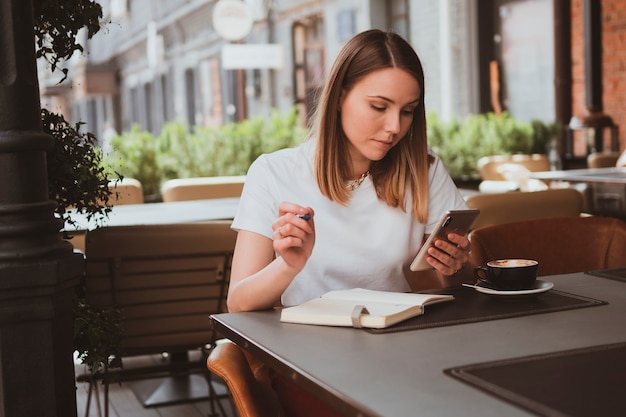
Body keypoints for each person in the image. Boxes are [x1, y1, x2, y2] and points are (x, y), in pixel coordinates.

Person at [227, 29, 474, 312]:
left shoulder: (423, 169)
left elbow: (465, 287)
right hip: (307, 349)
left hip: (399, 341)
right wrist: (288, 266)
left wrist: (453, 267)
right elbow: (238, 303)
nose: (395, 126)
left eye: (408, 111)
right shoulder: (273, 173)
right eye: (379, 106)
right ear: (339, 97)